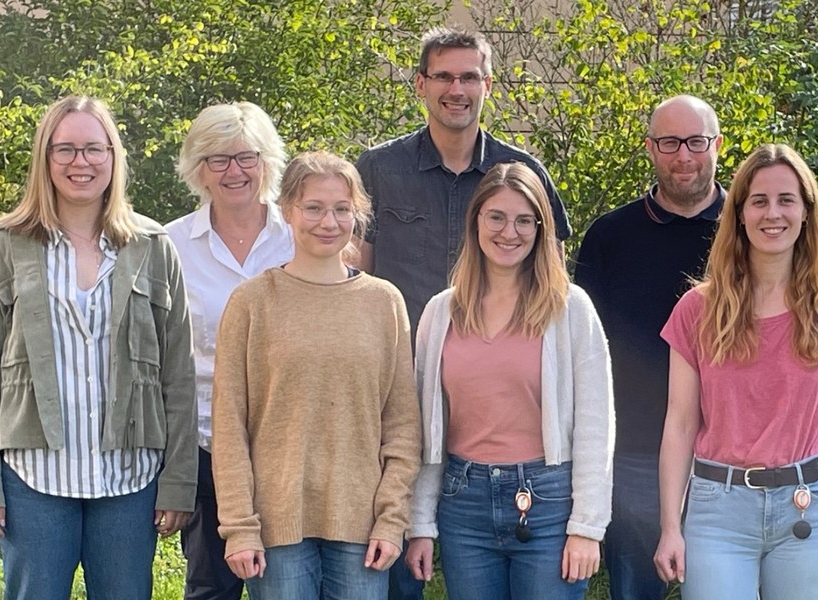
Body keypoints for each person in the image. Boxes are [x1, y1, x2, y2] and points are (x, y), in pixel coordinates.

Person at [356, 28, 572, 599]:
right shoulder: (379, 171)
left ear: (488, 85)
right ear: (421, 85)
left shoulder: (522, 172)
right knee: (400, 565)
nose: (458, 89)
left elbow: (554, 284)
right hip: (399, 394)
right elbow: (355, 278)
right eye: (445, 76)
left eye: (469, 76)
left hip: (501, 401)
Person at [0, 95, 197, 599]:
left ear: (113, 157)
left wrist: (178, 480)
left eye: (94, 148)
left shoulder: (153, 247)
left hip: (129, 480)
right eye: (65, 149)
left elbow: (179, 374)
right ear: (45, 158)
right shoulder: (5, 245)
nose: (80, 163)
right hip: (33, 479)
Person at [653, 144, 818, 599]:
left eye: (786, 199)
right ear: (738, 213)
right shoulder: (698, 310)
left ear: (806, 212)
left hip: (808, 507)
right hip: (718, 511)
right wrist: (669, 527)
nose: (772, 213)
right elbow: (679, 423)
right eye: (759, 201)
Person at [211, 151, 421, 600]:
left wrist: (391, 518)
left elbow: (402, 425)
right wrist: (240, 527)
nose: (328, 222)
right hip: (276, 527)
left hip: (362, 529)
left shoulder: (384, 303)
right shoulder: (252, 303)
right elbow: (229, 426)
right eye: (314, 208)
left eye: (342, 209)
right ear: (287, 210)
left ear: (357, 215)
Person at [404, 162, 614, 600]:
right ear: (476, 221)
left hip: (549, 502)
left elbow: (597, 424)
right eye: (496, 217)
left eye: (524, 220)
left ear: (540, 229)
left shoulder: (570, 310)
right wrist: (420, 523)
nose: (509, 232)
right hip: (464, 501)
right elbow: (423, 427)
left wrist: (587, 527)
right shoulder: (441, 313)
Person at [574, 94, 724, 600]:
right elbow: (585, 353)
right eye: (669, 142)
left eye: (696, 142)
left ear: (717, 146)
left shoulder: (749, 232)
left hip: (729, 460)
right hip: (636, 453)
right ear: (650, 148)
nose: (684, 155)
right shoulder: (609, 237)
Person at [166, 102, 294, 600]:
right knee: (209, 587)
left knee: (288, 585)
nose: (234, 171)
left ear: (267, 162)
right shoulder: (171, 245)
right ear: (198, 168)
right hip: (208, 446)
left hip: (290, 447)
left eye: (246, 156)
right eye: (217, 159)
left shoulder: (302, 237)